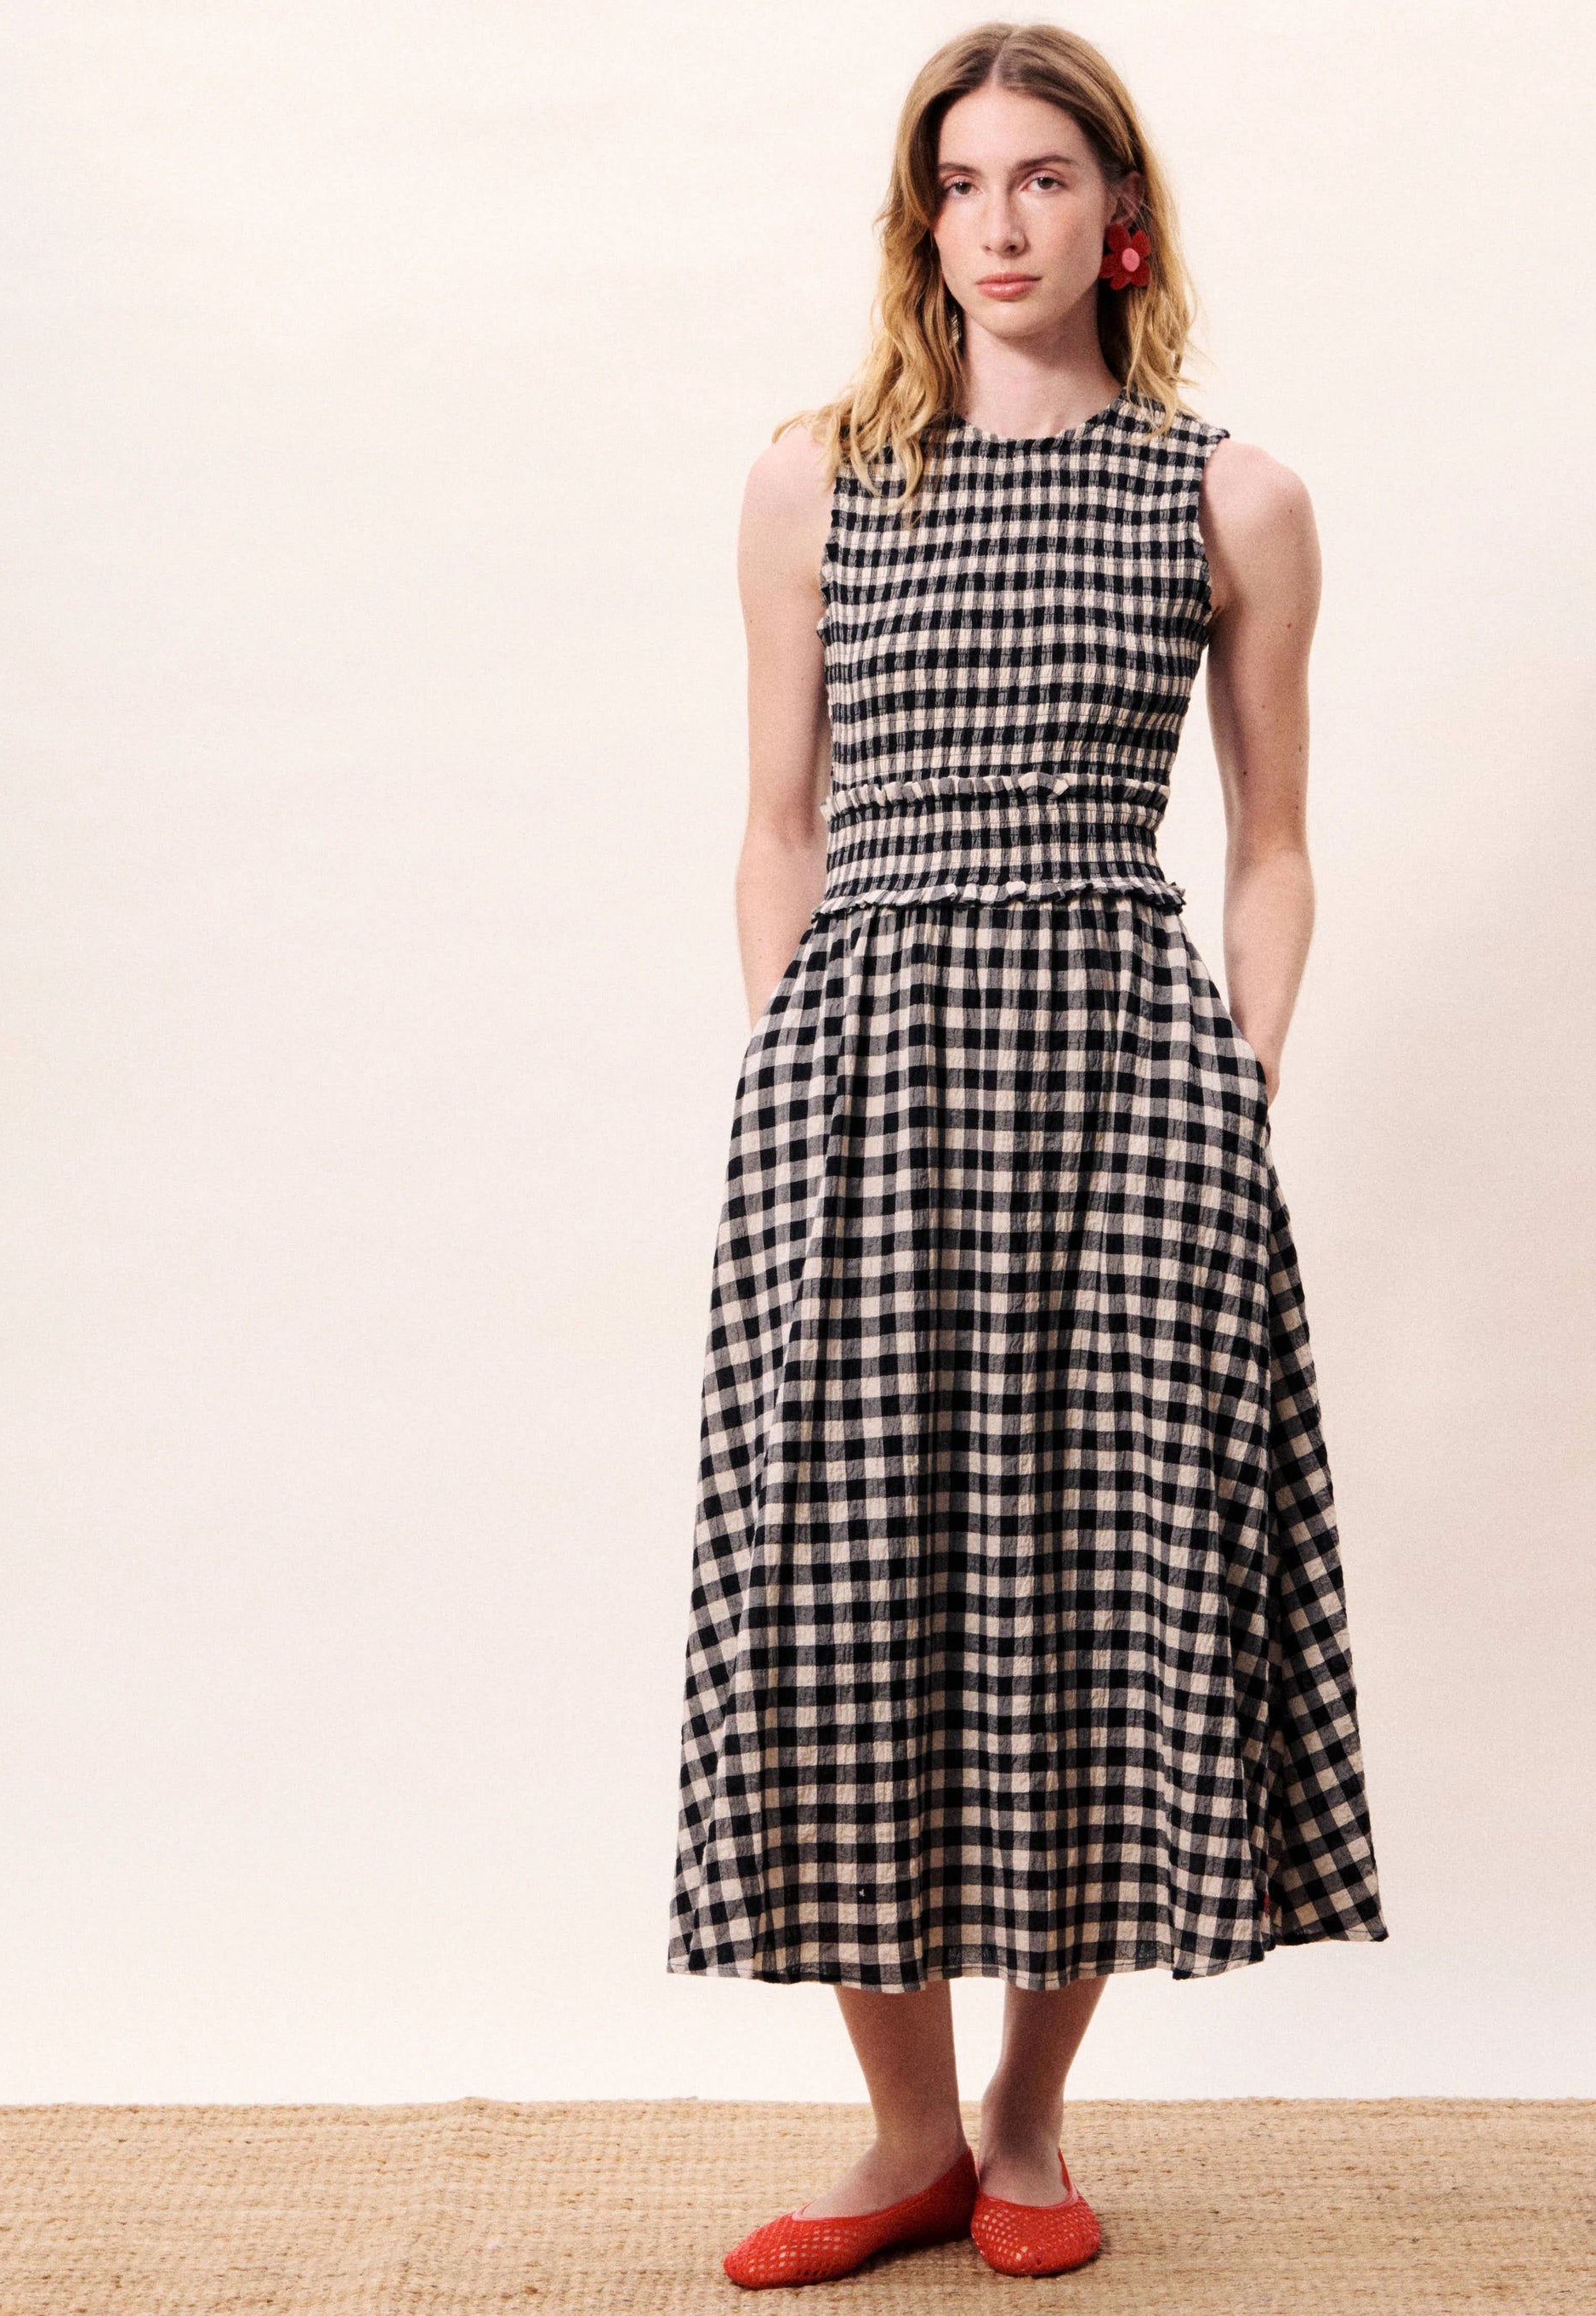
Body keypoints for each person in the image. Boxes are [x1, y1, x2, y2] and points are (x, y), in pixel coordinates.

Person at [667, 19, 1388, 2289]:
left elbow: (1269, 845)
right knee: (840, 1598)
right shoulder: (811, 476)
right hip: (860, 1082)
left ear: (1117, 211)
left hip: (1123, 1080)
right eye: (957, 183)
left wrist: (1231, 1087)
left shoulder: (1222, 489)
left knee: (1099, 1590)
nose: (995, 223)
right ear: (920, 220)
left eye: (1041, 179)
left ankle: (1022, 2116)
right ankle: (893, 2137)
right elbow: (776, 822)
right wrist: (798, 1065)